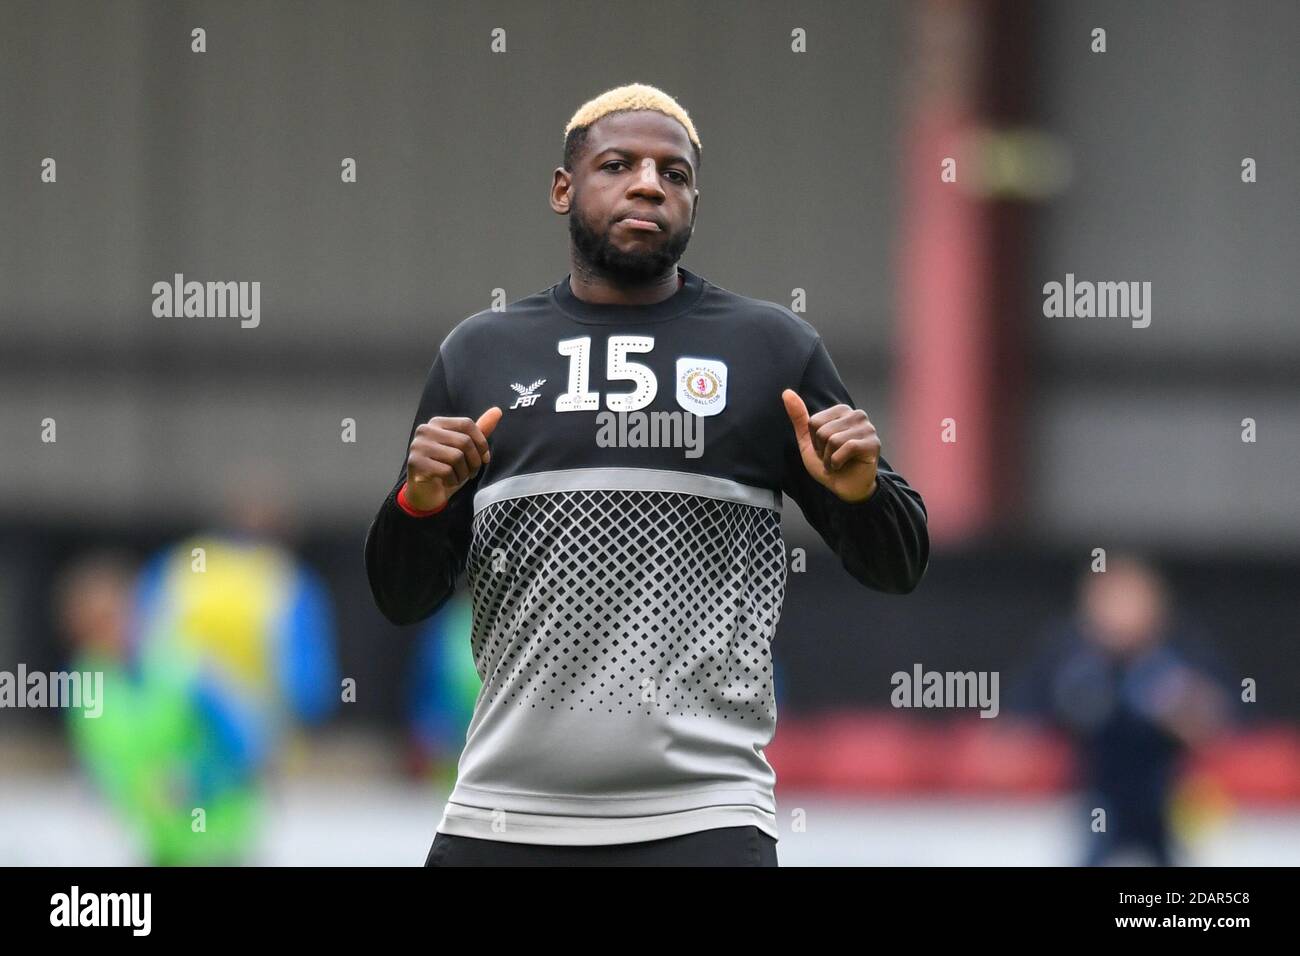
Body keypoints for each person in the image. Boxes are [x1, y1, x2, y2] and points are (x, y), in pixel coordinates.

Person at [364, 83, 929, 867]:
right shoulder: (480, 353)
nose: (647, 185)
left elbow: (898, 566)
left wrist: (861, 493)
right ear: (563, 189)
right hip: (501, 816)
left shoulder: (772, 350)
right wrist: (417, 506)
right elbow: (401, 597)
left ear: (694, 202)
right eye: (618, 164)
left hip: (705, 816)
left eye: (675, 173)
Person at [1008, 554, 1232, 866]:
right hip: (1096, 795)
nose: (1120, 614)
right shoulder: (1069, 656)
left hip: (1164, 796)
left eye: (1131, 601)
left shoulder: (1180, 652)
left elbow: (1215, 721)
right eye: (1110, 601)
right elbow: (1023, 720)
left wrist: (1178, 707)